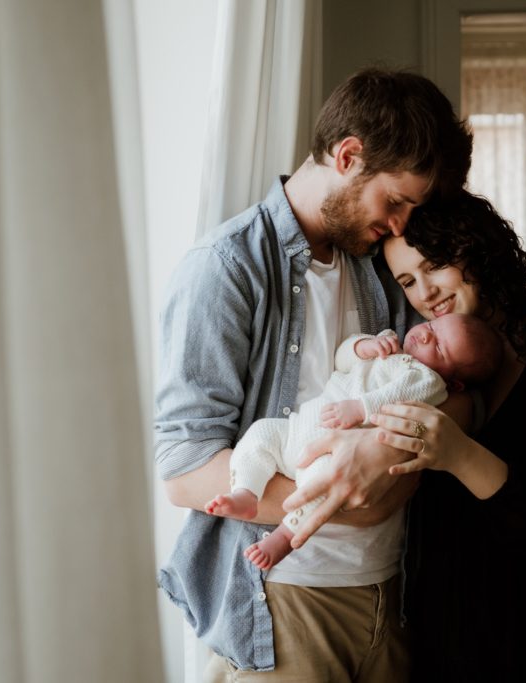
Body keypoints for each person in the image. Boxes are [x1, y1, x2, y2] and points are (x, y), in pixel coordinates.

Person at [154, 66, 472, 681]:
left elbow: (454, 393)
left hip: (394, 591)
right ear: (349, 155)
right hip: (283, 601)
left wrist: (382, 466)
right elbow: (185, 470)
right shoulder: (226, 268)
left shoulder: (385, 266)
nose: (402, 226)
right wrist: (348, 504)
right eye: (396, 202)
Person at [284, 192, 526, 682]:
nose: (426, 294)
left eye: (435, 266)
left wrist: (459, 455)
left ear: (477, 250)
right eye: (408, 282)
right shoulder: (424, 365)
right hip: (458, 619)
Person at [207, 313, 502, 570]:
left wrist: (362, 408)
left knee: (321, 486)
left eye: (438, 345)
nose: (424, 335)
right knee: (261, 434)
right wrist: (363, 347)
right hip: (298, 429)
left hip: (332, 449)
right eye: (432, 326)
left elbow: (397, 398)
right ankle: (246, 492)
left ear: (454, 383)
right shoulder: (389, 344)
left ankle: (284, 536)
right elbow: (342, 358)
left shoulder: (429, 382)